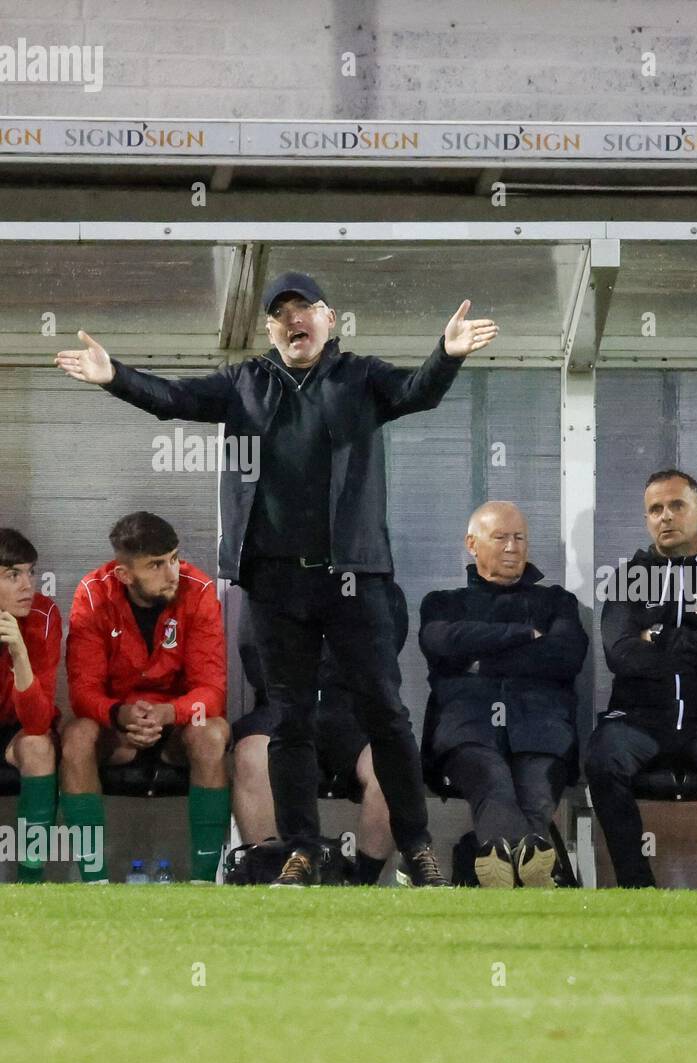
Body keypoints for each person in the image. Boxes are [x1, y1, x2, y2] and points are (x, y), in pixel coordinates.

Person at [56, 271, 498, 887]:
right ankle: (301, 849)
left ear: (329, 320)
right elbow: (174, 398)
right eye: (282, 312)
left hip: (354, 579)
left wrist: (445, 354)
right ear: (270, 329)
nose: (295, 319)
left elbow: (418, 391)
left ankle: (418, 845)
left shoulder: (361, 376)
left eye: (306, 308)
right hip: (275, 582)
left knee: (386, 714)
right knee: (289, 718)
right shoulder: (245, 383)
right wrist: (114, 377)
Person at [585, 469, 697, 889]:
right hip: (639, 719)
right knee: (602, 758)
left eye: (676, 506)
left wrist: (662, 636)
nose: (665, 517)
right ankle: (637, 885)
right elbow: (621, 655)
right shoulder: (628, 579)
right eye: (655, 509)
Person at [419, 501, 588, 888]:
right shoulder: (442, 603)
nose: (512, 547)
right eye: (501, 538)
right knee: (492, 782)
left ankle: (498, 856)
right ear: (472, 544)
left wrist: (482, 662)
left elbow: (565, 655)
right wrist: (522, 635)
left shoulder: (556, 602)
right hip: (468, 731)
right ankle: (538, 865)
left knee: (535, 792)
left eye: (519, 537)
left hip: (541, 729)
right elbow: (440, 641)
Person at [62, 512, 229, 883]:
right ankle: (95, 881)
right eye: (156, 565)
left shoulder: (198, 590)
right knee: (76, 737)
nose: (171, 572)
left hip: (178, 728)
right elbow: (82, 691)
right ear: (124, 574)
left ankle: (204, 879)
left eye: (173, 558)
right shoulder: (93, 593)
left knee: (212, 732)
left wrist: (168, 713)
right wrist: (120, 714)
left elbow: (212, 691)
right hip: (118, 728)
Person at [231, 583, 409, 885]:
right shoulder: (266, 587)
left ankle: (362, 883)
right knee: (252, 755)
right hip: (282, 707)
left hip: (351, 714)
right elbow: (256, 663)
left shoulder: (382, 590)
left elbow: (380, 664)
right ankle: (272, 873)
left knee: (392, 762)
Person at [0, 529, 61, 883]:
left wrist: (19, 651)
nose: (28, 585)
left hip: (18, 728)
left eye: (31, 572)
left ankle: (30, 882)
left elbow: (38, 722)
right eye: (13, 575)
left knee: (39, 746)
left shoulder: (44, 615)